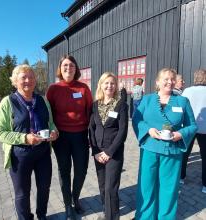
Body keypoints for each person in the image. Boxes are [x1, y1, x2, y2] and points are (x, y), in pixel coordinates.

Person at [0, 64, 58, 220]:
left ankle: (42, 215)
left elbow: (51, 123)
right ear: (15, 81)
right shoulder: (8, 102)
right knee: (22, 193)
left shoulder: (43, 100)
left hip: (42, 153)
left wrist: (54, 131)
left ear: (35, 80)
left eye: (31, 77)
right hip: (19, 155)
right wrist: (24, 138)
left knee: (44, 188)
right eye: (23, 77)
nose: (28, 80)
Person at [132, 68, 197, 220]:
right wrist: (148, 130)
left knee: (168, 188)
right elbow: (136, 119)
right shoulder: (147, 99)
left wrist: (179, 134)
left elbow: (192, 126)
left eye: (172, 79)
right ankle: (145, 216)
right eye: (166, 79)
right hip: (149, 149)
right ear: (157, 82)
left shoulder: (182, 101)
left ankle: (166, 217)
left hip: (172, 151)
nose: (170, 81)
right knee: (146, 186)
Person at [46, 55, 93, 220]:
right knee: (64, 171)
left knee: (81, 171)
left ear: (76, 68)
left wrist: (92, 134)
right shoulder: (53, 89)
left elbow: (90, 111)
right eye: (65, 65)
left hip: (80, 136)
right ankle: (68, 206)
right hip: (61, 138)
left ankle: (76, 198)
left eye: (71, 65)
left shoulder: (83, 88)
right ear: (60, 68)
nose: (68, 68)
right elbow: (48, 113)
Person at [89, 72, 129, 220]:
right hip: (98, 152)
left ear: (116, 86)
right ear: (101, 85)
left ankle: (111, 217)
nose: (109, 86)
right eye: (106, 83)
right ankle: (109, 211)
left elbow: (123, 131)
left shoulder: (121, 105)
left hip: (114, 152)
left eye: (112, 83)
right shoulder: (94, 105)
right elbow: (91, 129)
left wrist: (110, 152)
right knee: (102, 186)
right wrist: (95, 151)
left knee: (111, 187)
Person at [180, 69, 206, 193]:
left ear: (195, 78)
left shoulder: (187, 91)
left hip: (189, 126)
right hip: (205, 128)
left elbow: (181, 109)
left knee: (185, 153)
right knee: (205, 157)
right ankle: (205, 185)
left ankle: (181, 177)